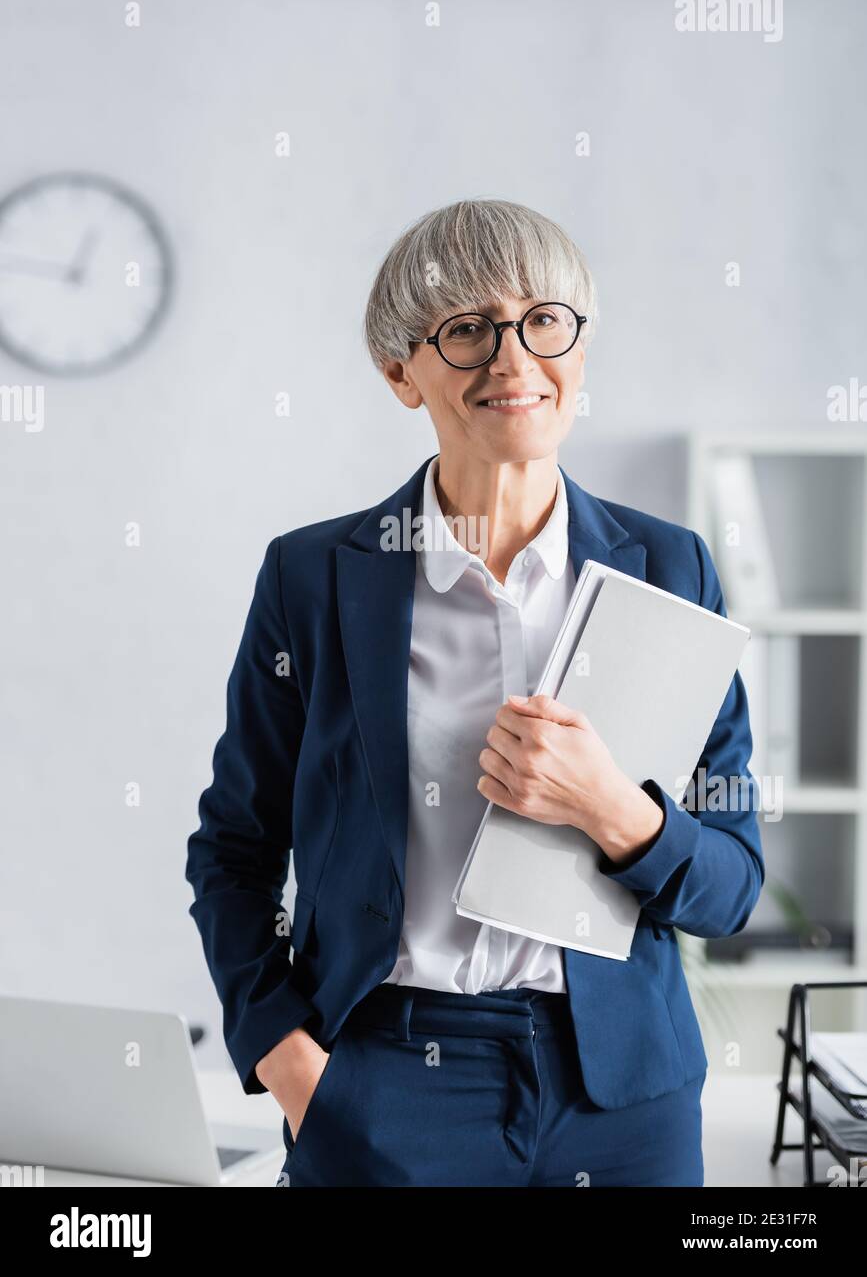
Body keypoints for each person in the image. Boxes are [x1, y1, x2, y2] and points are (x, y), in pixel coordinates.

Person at [185, 198, 764, 1187]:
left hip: (623, 1096)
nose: (512, 360)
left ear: (580, 350)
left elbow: (733, 884)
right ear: (400, 372)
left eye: (544, 320)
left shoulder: (671, 566)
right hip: (386, 1082)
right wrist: (289, 1062)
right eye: (466, 330)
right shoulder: (314, 578)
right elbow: (235, 854)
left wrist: (612, 810)